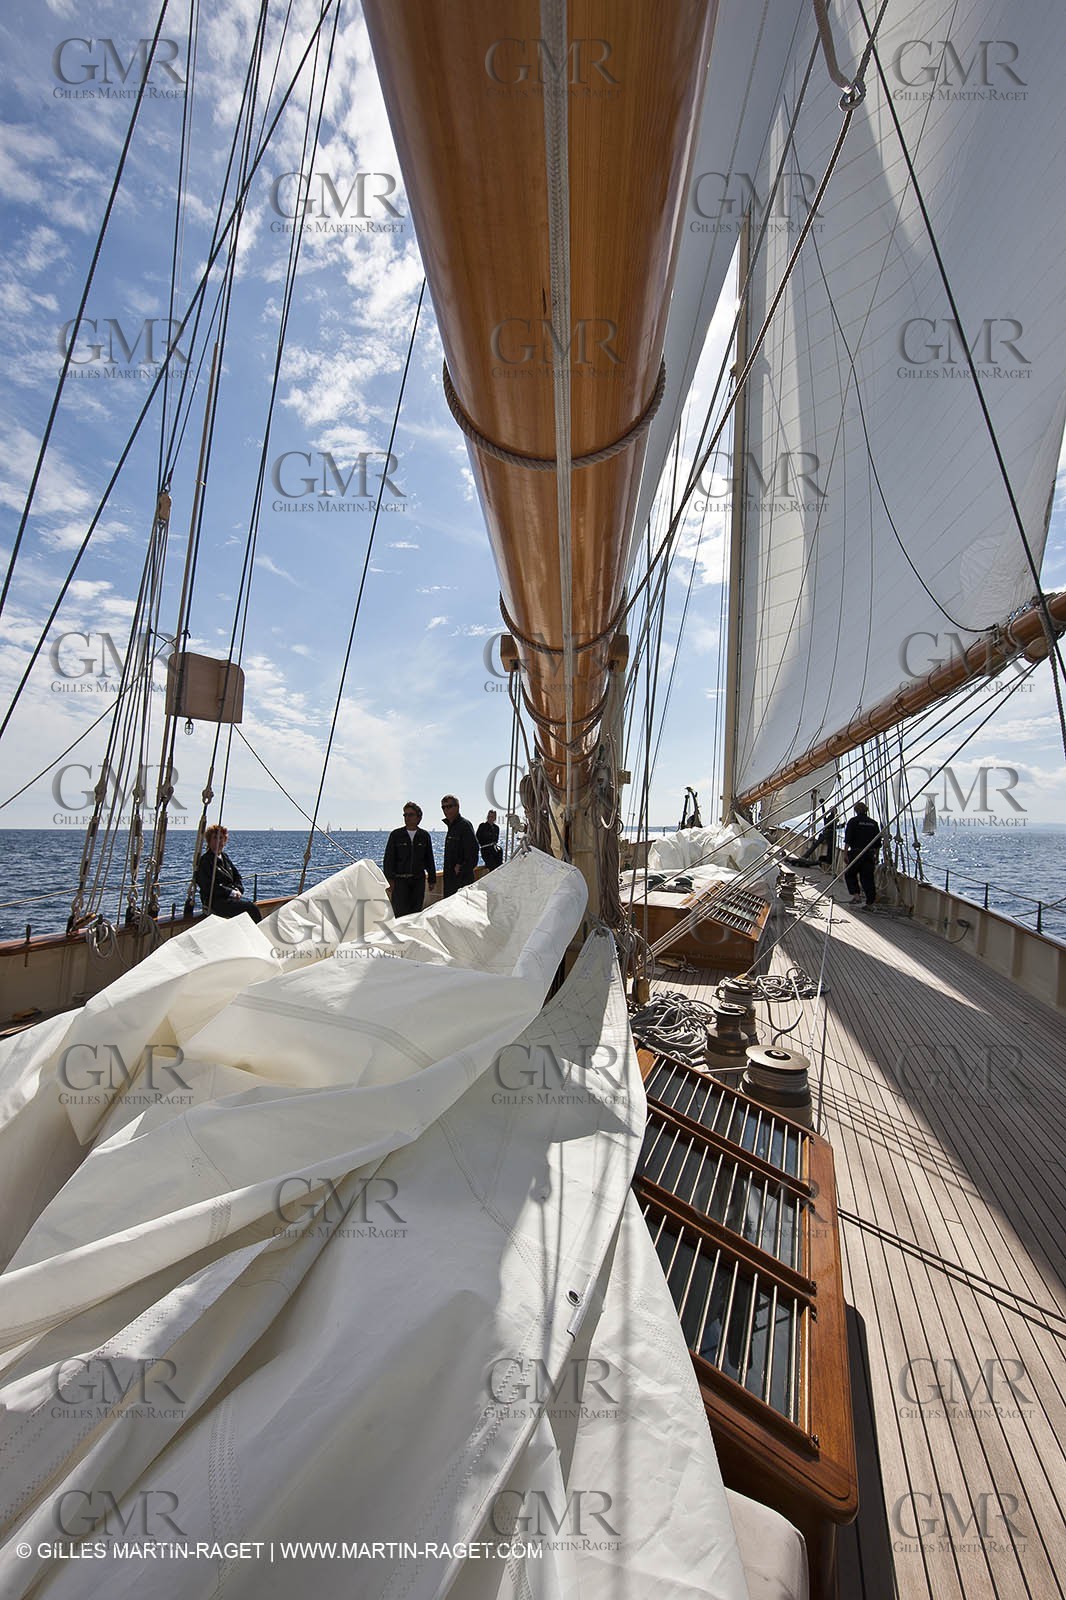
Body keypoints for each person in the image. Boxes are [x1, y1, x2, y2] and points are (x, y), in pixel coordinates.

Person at [195, 825, 262, 922]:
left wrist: (238, 889)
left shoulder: (224, 857)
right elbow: (208, 886)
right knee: (251, 909)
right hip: (216, 901)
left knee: (249, 907)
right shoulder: (206, 860)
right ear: (209, 841)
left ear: (225, 840)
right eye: (215, 838)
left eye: (221, 838)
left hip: (230, 898)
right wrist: (231, 892)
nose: (219, 841)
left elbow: (237, 876)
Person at [382, 802, 437, 917]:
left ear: (418, 817)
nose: (407, 818)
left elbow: (429, 859)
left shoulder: (424, 836)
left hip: (418, 881)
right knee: (400, 914)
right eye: (405, 815)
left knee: (416, 914)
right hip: (400, 882)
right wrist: (389, 880)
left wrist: (432, 879)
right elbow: (388, 859)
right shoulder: (396, 835)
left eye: (410, 815)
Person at [844, 801, 882, 907]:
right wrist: (876, 856)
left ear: (856, 811)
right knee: (867, 878)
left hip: (856, 852)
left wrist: (845, 853)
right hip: (869, 854)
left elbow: (848, 839)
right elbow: (878, 843)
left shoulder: (853, 822)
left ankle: (856, 896)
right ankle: (870, 902)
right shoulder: (873, 823)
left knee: (849, 874)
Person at [441, 795, 479, 896]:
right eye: (443, 807)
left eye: (449, 806)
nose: (445, 810)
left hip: (462, 882)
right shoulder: (451, 827)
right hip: (450, 881)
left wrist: (461, 868)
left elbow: (473, 853)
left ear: (457, 807)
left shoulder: (465, 826)